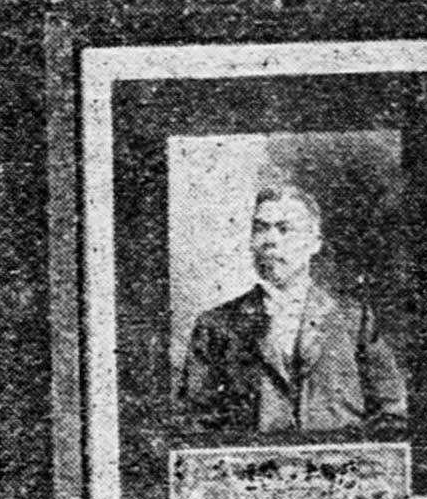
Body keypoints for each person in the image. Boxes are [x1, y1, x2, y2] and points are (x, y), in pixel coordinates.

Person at [170, 157, 409, 443]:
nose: (269, 240)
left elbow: (392, 413)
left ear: (315, 242)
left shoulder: (354, 321)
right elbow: (194, 423)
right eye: (260, 228)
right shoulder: (215, 325)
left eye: (284, 229)